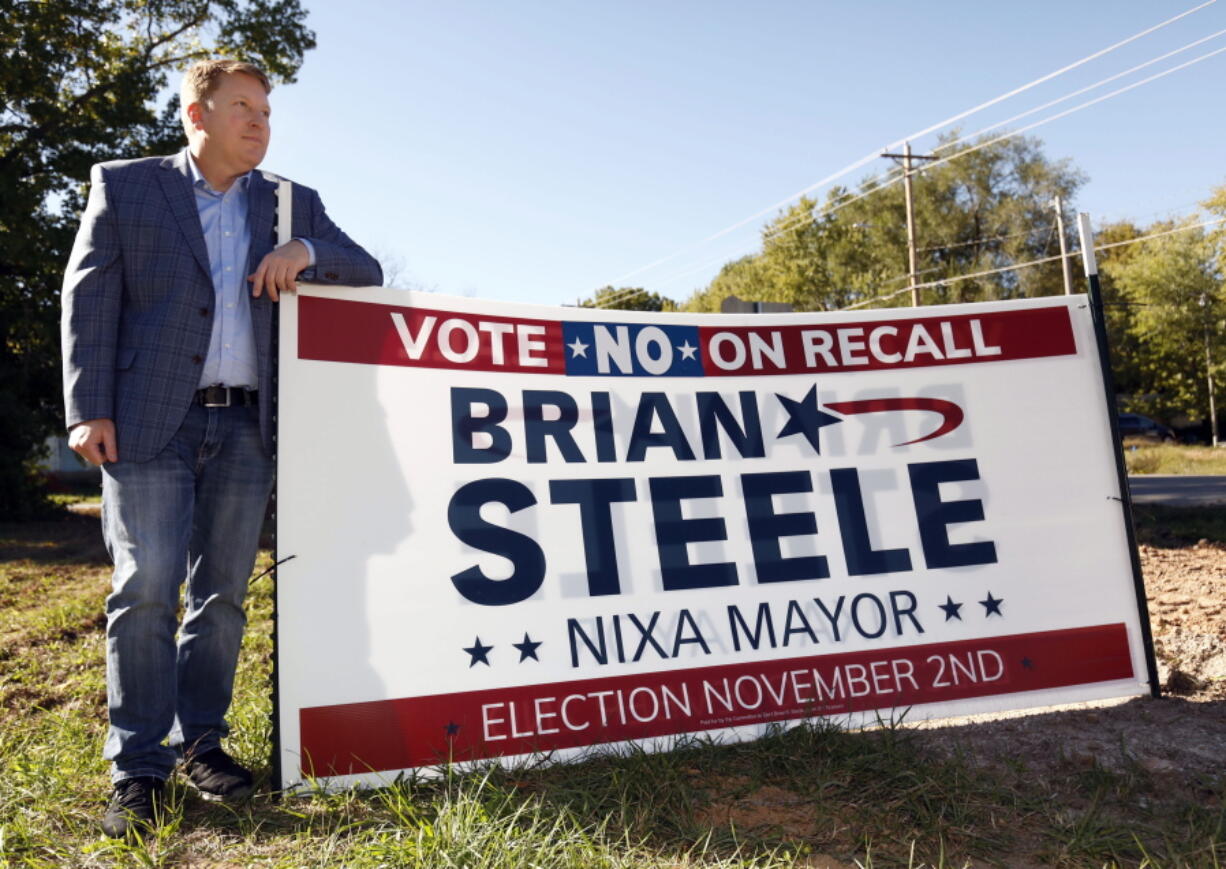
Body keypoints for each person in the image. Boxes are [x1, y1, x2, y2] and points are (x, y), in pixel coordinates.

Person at [61, 58, 382, 838]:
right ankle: (138, 765)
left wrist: (305, 250)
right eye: (242, 107)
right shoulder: (129, 184)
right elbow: (89, 294)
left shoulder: (289, 203)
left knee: (224, 596)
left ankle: (202, 740)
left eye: (266, 112)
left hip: (248, 428)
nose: (259, 123)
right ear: (195, 116)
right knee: (145, 587)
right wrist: (87, 407)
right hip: (147, 422)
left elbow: (364, 269)